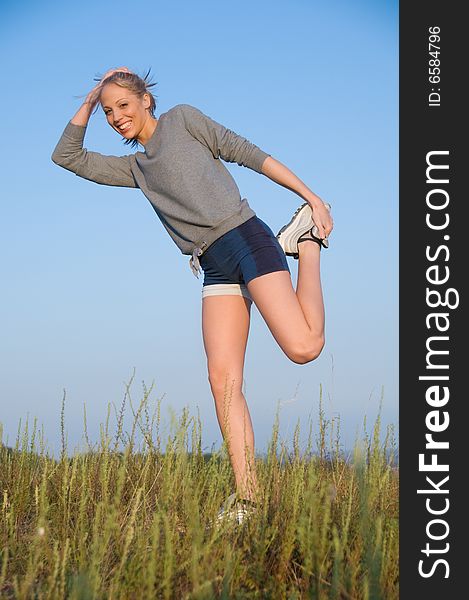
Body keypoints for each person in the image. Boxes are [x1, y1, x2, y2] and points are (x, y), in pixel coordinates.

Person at [51, 67, 333, 525]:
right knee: (223, 384)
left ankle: (305, 243)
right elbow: (67, 156)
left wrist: (311, 197)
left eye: (123, 104)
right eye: (108, 111)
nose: (117, 116)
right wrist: (89, 98)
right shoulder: (136, 170)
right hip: (213, 264)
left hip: (246, 238)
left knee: (304, 347)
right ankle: (249, 499)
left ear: (146, 99)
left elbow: (248, 153)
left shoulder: (183, 120)